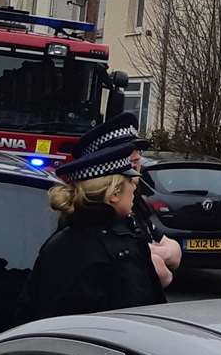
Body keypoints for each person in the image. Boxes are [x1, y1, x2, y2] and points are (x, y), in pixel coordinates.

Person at [15, 142, 167, 322]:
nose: (134, 185)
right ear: (114, 194)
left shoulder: (59, 240)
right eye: (129, 180)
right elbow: (137, 317)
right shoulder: (120, 247)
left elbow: (30, 309)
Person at [61, 112, 180, 287]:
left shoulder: (135, 201)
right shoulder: (92, 225)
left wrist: (147, 253)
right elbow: (158, 273)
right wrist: (146, 254)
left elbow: (174, 253)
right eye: (125, 151)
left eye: (137, 150)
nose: (137, 157)